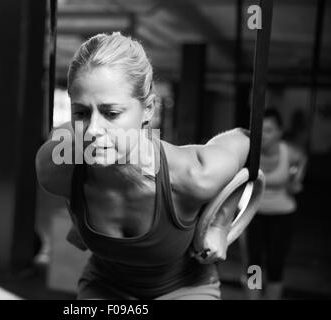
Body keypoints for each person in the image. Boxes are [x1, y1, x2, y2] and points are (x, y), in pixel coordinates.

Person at [36, 32, 250, 300]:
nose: (92, 130)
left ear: (148, 109)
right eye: (81, 112)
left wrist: (220, 222)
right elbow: (73, 135)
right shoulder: (54, 169)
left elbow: (245, 140)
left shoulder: (194, 174)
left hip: (183, 288)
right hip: (106, 286)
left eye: (111, 113)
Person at [245, 108, 307, 300]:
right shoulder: (249, 152)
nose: (263, 135)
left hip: (283, 216)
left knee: (275, 264)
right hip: (254, 215)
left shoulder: (290, 152)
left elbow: (302, 159)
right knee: (253, 264)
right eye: (260, 130)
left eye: (269, 130)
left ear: (280, 132)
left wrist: (296, 179)